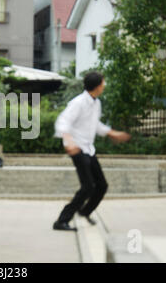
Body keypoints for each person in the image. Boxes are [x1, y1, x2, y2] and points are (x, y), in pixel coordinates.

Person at [53, 71, 131, 231]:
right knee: (87, 186)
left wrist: (111, 133)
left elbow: (94, 125)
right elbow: (63, 121)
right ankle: (61, 220)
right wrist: (68, 142)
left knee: (102, 185)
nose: (104, 85)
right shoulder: (78, 102)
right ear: (97, 86)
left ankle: (84, 211)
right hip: (77, 148)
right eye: (103, 83)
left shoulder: (96, 103)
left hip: (89, 149)